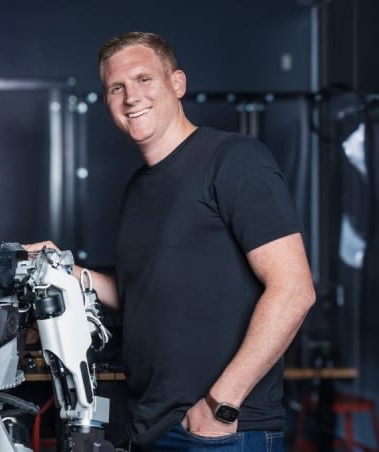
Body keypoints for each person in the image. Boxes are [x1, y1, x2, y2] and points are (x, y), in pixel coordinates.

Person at [26, 32, 316, 451]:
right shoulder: (138, 189)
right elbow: (139, 295)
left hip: (222, 431)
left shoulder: (234, 159)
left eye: (144, 79)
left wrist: (220, 404)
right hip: (152, 424)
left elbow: (294, 290)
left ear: (177, 84)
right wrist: (66, 269)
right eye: (116, 88)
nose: (131, 98)